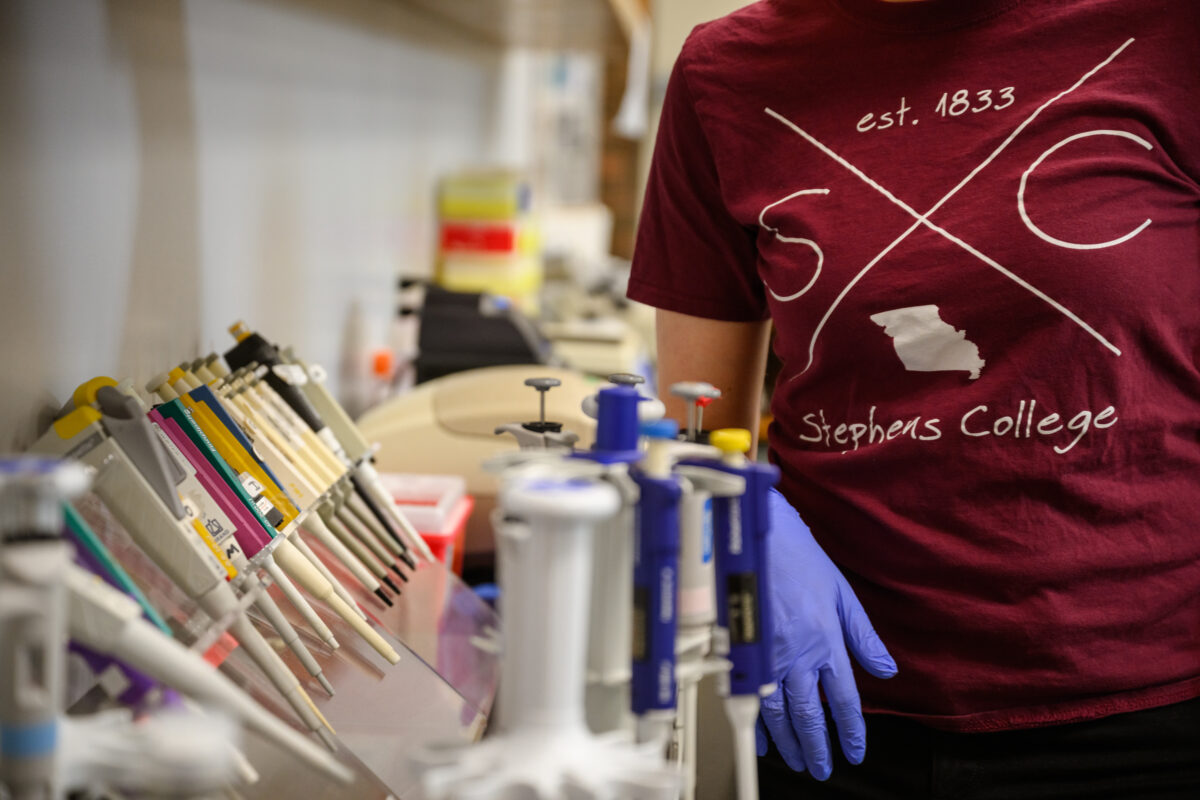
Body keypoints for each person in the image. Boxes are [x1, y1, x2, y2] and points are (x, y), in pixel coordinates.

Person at [627, 0, 1200, 796]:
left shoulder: (1169, 31)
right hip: (833, 707)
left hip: (1148, 716)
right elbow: (698, 420)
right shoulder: (727, 71)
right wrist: (743, 518)